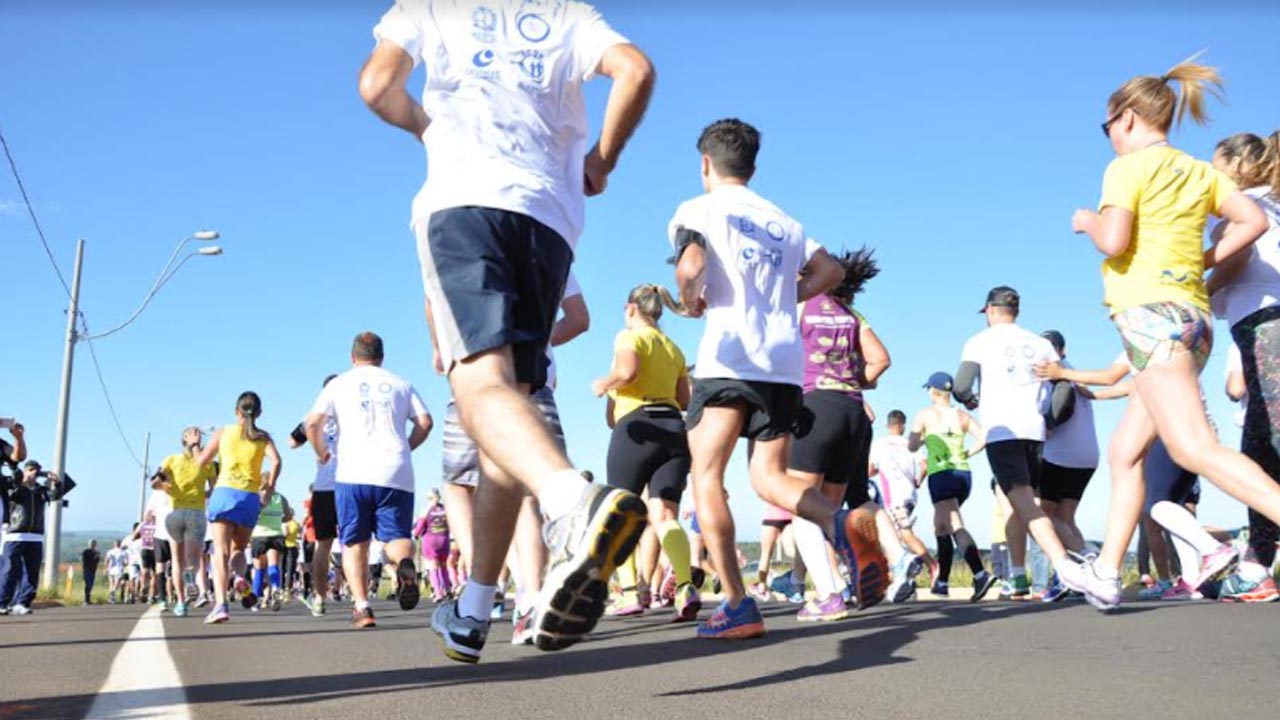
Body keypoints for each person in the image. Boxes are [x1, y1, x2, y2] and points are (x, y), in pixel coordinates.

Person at [361, 0, 654, 662]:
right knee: (507, 413)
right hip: (549, 221)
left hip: (466, 200)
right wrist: (602, 157)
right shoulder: (568, 13)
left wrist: (427, 128)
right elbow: (635, 69)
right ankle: (472, 609)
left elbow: (377, 85)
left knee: (479, 389)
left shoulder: (431, 7)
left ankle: (573, 503)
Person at [1070, 56, 1276, 610]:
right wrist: (1204, 258)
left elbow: (1114, 241)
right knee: (1126, 451)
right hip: (1193, 318)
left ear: (1129, 117)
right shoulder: (1199, 170)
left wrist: (1088, 220)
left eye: (1108, 124)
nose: (1109, 135)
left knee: (1193, 447)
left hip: (1149, 315)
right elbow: (1252, 222)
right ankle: (1108, 572)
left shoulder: (1128, 168)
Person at [670, 118, 886, 640]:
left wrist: (691, 299)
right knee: (769, 477)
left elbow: (691, 264)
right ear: (752, 166)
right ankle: (839, 525)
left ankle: (739, 605)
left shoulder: (697, 209)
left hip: (729, 357)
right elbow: (831, 272)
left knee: (706, 476)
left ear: (705, 164)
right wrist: (785, 299)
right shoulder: (783, 220)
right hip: (785, 365)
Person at [438, 272, 589, 642]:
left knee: (456, 484)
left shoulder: (460, 229)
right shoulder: (551, 236)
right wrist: (539, 339)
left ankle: (483, 581)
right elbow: (579, 319)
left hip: (479, 379)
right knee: (524, 494)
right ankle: (530, 599)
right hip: (536, 378)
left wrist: (440, 349)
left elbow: (436, 310)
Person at [787, 247, 921, 620]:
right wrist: (852, 379)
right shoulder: (851, 315)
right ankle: (890, 557)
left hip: (816, 406)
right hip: (853, 410)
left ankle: (830, 594)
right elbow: (882, 359)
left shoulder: (799, 307)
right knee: (830, 509)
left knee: (801, 506)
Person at [953, 287, 1090, 598]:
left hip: (1003, 433)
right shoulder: (1040, 343)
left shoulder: (979, 341)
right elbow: (1064, 386)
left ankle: (1073, 566)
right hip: (1036, 433)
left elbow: (961, 386)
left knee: (1027, 506)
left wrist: (972, 400)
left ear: (989, 310)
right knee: (1019, 505)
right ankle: (1017, 575)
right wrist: (1051, 421)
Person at [304, 332, 433, 629]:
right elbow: (425, 422)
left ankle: (362, 607)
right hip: (396, 470)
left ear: (353, 357)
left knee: (354, 542)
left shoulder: (338, 384)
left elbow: (312, 423)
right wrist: (408, 446)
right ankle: (403, 566)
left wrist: (321, 451)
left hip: (353, 472)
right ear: (382, 357)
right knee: (396, 536)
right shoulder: (401, 383)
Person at [591, 284, 701, 622]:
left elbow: (627, 372)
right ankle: (685, 587)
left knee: (622, 512)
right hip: (673, 428)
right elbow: (685, 400)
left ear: (630, 309)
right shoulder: (673, 348)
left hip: (637, 427)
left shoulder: (629, 337)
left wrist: (605, 383)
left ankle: (629, 594)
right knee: (665, 516)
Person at [1208, 131, 1280, 603]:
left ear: (1234, 167)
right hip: (1263, 329)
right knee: (1260, 444)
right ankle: (1257, 561)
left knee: (1262, 450)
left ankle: (1256, 565)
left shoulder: (1242, 211)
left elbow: (1240, 258)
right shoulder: (1271, 206)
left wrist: (1194, 283)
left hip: (1266, 331)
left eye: (1213, 165)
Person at [195, 391, 283, 624]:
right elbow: (276, 461)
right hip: (249, 499)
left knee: (220, 553)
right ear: (260, 413)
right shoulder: (263, 438)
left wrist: (195, 446)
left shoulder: (223, 432)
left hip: (224, 493)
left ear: (237, 412)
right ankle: (239, 577)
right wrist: (270, 489)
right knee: (238, 550)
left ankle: (221, 604)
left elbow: (201, 462)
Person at [909, 373, 992, 600]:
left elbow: (912, 446)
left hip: (941, 473)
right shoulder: (962, 414)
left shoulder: (926, 414)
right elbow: (985, 437)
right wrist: (967, 452)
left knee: (954, 523)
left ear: (934, 392)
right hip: (963, 474)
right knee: (941, 526)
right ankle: (943, 582)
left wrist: (923, 438)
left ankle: (980, 574)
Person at [291, 375, 341, 617]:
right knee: (356, 543)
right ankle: (361, 601)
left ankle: (320, 598)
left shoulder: (314, 416)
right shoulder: (353, 412)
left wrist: (316, 443)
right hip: (352, 482)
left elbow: (292, 441)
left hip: (324, 487)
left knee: (324, 545)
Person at [0, 461, 75, 615]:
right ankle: (2, 602)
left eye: (37, 470)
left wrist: (57, 483)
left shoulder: (41, 491)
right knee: (10, 570)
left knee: (32, 573)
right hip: (15, 535)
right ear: (25, 471)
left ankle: (22, 603)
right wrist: (24, 478)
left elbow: (54, 496)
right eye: (32, 469)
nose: (35, 472)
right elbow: (13, 490)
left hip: (35, 537)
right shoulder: (16, 488)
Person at [870, 411, 933, 580]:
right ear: (903, 425)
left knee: (896, 535)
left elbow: (870, 469)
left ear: (888, 425)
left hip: (893, 497)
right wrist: (918, 480)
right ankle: (901, 573)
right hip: (910, 495)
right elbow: (925, 465)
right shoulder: (910, 444)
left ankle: (929, 565)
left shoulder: (880, 444)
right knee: (899, 535)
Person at [250, 489, 292, 612]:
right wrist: (277, 520)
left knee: (259, 570)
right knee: (273, 565)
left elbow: (251, 514)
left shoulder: (256, 497)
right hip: (276, 534)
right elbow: (288, 517)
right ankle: (275, 588)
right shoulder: (280, 498)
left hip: (259, 535)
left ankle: (256, 599)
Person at [413, 489, 451, 602]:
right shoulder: (445, 508)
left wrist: (415, 535)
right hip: (444, 539)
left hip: (430, 540)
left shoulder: (426, 509)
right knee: (444, 566)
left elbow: (419, 526)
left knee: (433, 568)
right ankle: (448, 589)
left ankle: (438, 593)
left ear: (428, 498)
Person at [282, 513, 301, 598]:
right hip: (292, 546)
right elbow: (299, 534)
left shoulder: (283, 523)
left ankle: (282, 588)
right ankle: (287, 589)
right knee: (290, 569)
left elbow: (285, 534)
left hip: (283, 546)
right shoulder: (295, 523)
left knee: (282, 568)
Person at [106, 540, 126, 604]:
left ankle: (111, 598)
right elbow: (126, 562)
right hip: (119, 569)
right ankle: (113, 593)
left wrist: (106, 568)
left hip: (111, 569)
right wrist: (124, 565)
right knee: (117, 583)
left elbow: (107, 560)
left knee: (111, 583)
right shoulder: (123, 552)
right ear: (120, 544)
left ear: (114, 544)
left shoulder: (110, 551)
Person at [81, 540, 101, 605]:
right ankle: (86, 600)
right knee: (88, 584)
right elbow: (85, 561)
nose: (93, 545)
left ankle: (88, 599)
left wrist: (97, 557)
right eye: (92, 544)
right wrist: (94, 558)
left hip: (93, 571)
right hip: (87, 570)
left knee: (91, 585)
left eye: (94, 544)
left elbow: (97, 562)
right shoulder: (85, 552)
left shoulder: (96, 552)